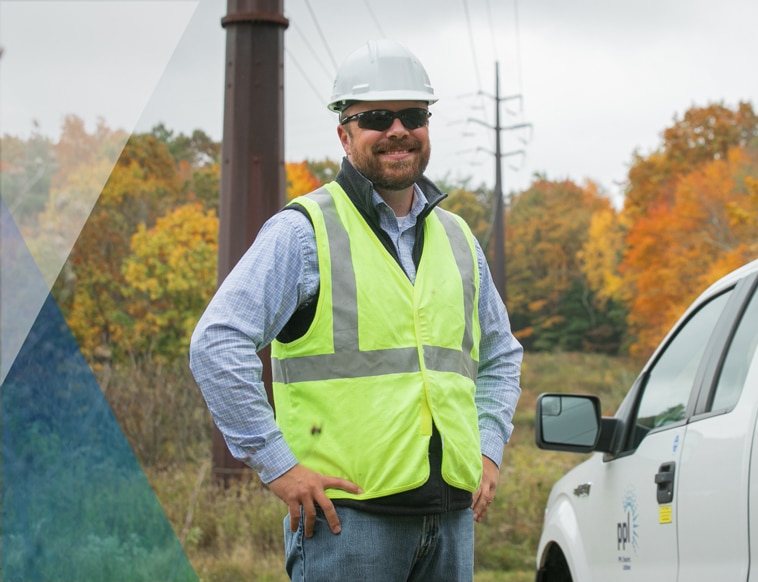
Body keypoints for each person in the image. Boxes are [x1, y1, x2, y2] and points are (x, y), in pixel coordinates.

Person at [189, 39, 523, 581]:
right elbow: (216, 343)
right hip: (348, 527)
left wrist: (487, 450)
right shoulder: (303, 231)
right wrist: (279, 467)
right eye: (375, 117)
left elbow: (501, 354)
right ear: (344, 134)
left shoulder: (459, 238)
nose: (397, 130)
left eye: (412, 115)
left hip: (451, 522)